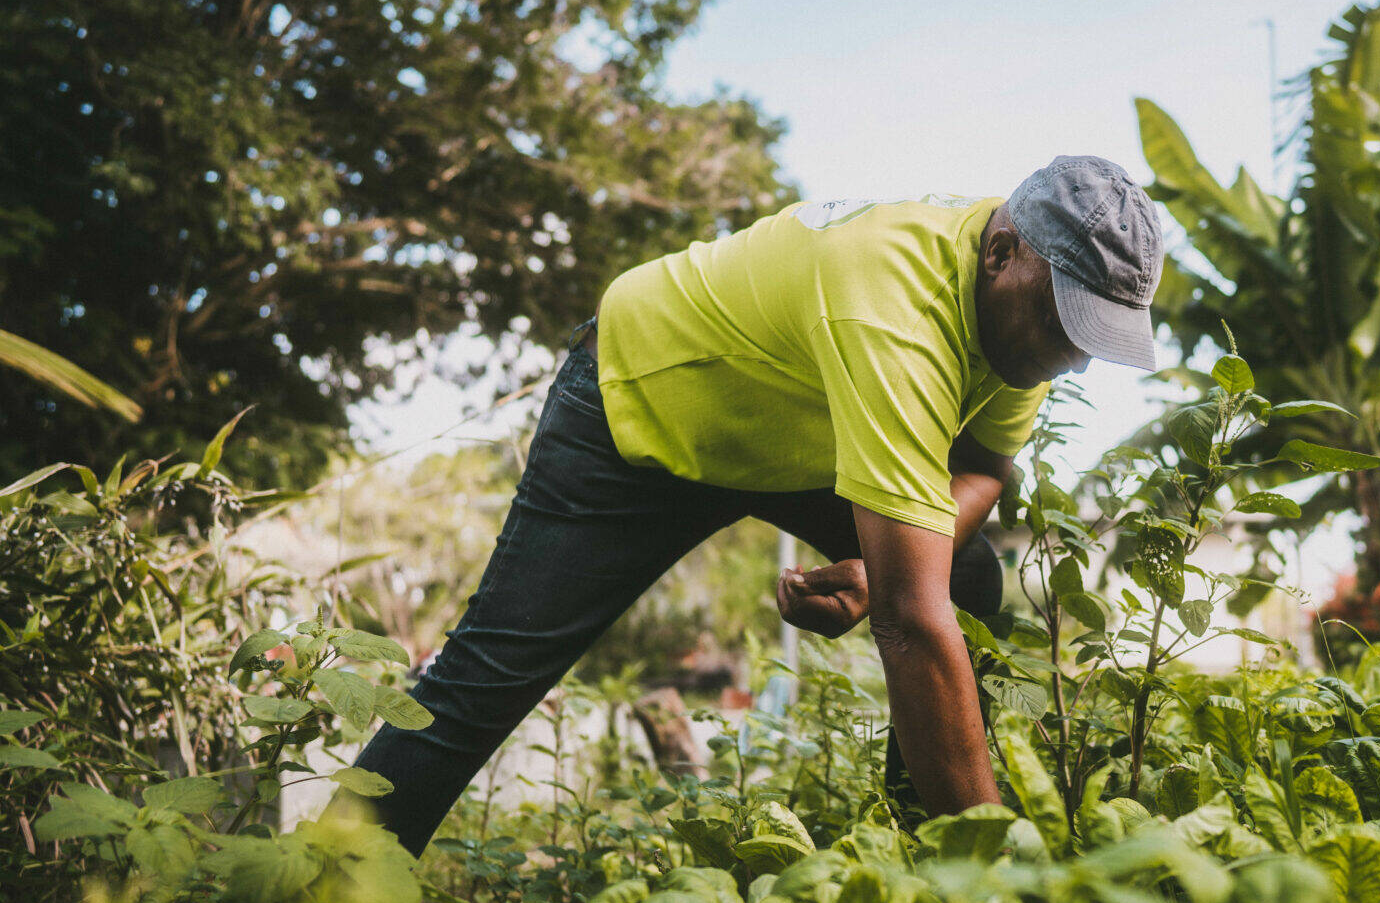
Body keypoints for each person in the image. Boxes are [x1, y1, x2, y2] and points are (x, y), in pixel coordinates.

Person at [348, 155, 1165, 856]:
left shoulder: (1018, 333)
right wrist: (1000, 880)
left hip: (785, 433)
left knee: (969, 577)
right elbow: (910, 626)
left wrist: (879, 572)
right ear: (1001, 252)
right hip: (642, 410)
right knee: (488, 673)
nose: (1070, 360)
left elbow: (984, 466)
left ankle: (921, 854)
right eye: (1063, 321)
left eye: (1091, 340)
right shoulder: (892, 300)